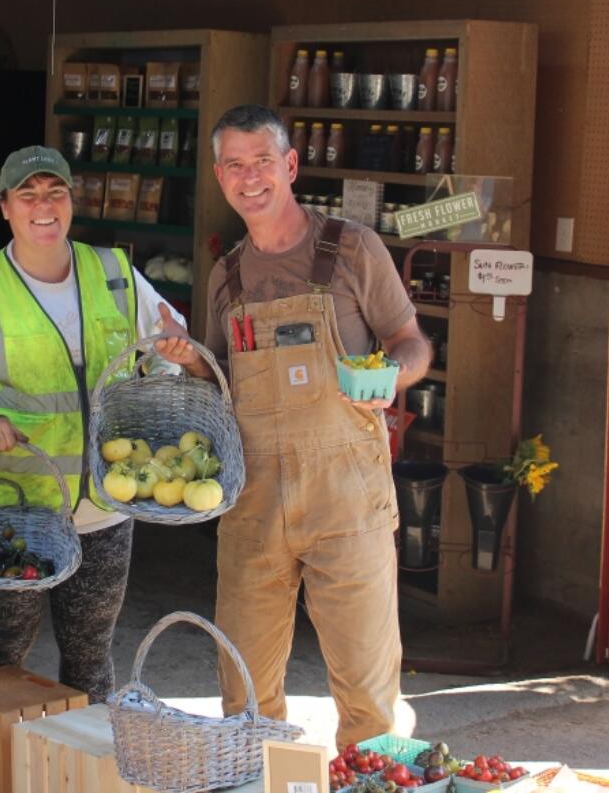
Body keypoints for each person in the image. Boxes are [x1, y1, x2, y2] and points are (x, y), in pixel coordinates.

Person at [171, 105, 432, 745]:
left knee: (368, 691)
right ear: (218, 175)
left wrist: (391, 374)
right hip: (253, 501)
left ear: (289, 165)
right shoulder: (226, 275)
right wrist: (188, 363)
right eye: (235, 164)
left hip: (346, 495)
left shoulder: (351, 248)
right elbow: (220, 380)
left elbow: (411, 342)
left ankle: (372, 783)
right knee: (243, 688)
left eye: (263, 160)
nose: (249, 176)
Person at [0, 145, 190, 702]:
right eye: (28, 195)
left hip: (104, 510)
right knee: (0, 653)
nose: (44, 207)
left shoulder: (112, 272)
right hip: (11, 508)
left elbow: (164, 344)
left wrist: (167, 369)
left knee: (91, 655)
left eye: (55, 193)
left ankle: (82, 775)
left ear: (71, 201)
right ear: (5, 206)